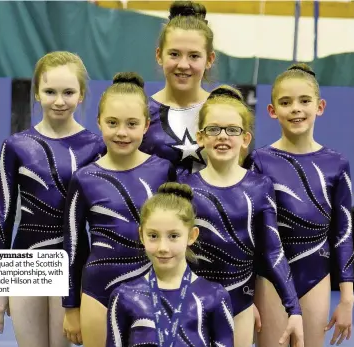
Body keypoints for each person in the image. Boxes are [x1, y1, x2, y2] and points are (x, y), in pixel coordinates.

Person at [0, 51, 105, 347]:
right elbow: (3, 216)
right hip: (26, 259)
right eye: (50, 92)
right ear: (37, 94)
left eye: (68, 92)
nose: (59, 100)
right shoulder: (16, 146)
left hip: (71, 259)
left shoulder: (95, 147)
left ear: (81, 95)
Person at [179, 86, 305, 347]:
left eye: (232, 130)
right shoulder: (185, 188)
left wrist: (294, 309)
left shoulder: (260, 187)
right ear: (200, 137)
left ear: (245, 139)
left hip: (240, 308)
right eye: (213, 129)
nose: (222, 136)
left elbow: (273, 251)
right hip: (190, 306)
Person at [62, 72, 176, 347]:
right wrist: (70, 306)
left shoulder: (162, 171)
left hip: (153, 286)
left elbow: (177, 234)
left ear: (146, 125)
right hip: (97, 290)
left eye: (131, 124)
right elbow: (73, 245)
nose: (122, 132)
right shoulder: (85, 178)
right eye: (112, 123)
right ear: (99, 122)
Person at [244, 63, 354, 347]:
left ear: (320, 106)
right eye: (285, 102)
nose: (296, 108)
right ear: (272, 111)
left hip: (316, 277)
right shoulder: (260, 161)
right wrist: (245, 297)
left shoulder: (336, 164)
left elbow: (344, 233)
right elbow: (251, 232)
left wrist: (346, 297)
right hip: (270, 279)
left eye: (304, 101)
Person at [105, 182, 235, 347]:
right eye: (153, 235)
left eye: (173, 236)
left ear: (191, 236)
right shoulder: (124, 296)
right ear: (141, 235)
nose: (163, 248)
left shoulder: (214, 296)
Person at [140, 0, 215, 173]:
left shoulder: (224, 111)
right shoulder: (142, 112)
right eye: (174, 54)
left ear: (209, 60)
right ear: (159, 55)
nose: (183, 64)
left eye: (194, 56)